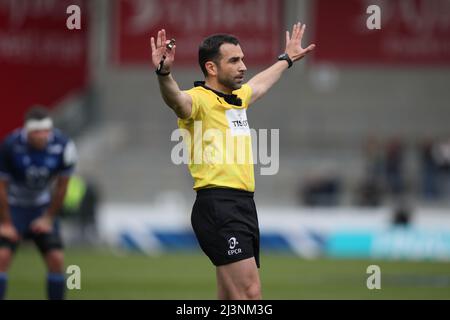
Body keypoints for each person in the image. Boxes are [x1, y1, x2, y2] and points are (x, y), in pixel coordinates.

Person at [151, 23, 315, 300]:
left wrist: (286, 59)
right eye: (234, 60)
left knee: (228, 299)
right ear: (212, 68)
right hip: (218, 206)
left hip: (242, 205)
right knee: (250, 295)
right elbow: (175, 99)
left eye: (243, 59)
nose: (243, 66)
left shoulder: (237, 99)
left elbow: (259, 85)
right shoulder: (197, 101)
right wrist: (164, 72)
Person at [0, 107, 77, 300]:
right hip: (13, 206)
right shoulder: (10, 145)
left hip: (42, 206)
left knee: (57, 259)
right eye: (37, 132)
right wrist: (6, 223)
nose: (43, 136)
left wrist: (48, 218)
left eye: (46, 131)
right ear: (28, 132)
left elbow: (62, 187)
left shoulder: (64, 146)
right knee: (2, 257)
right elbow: (1, 187)